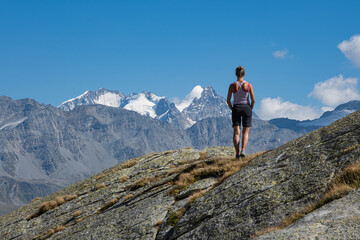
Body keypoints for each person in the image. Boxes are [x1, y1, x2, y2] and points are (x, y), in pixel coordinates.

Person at [227, 65, 255, 159]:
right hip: (246, 108)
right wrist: (250, 108)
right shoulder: (249, 85)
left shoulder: (232, 85)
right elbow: (253, 99)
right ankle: (243, 150)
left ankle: (237, 153)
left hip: (236, 108)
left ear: (235, 74)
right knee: (245, 133)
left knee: (236, 132)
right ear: (244, 74)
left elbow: (228, 100)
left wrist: (232, 109)